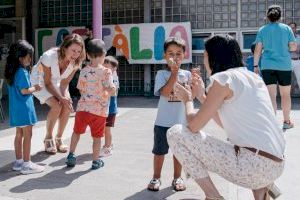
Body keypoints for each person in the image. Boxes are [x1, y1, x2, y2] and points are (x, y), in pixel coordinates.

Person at [167, 35, 285, 200]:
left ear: (213, 57)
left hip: (253, 167)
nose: (204, 61)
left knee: (175, 133)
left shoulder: (223, 78)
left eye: (205, 56)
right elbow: (227, 124)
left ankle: (213, 196)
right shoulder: (253, 78)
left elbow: (193, 126)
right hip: (275, 164)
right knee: (242, 143)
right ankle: (261, 192)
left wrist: (188, 100)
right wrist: (201, 96)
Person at [147, 37, 195, 192]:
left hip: (180, 122)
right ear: (164, 55)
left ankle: (177, 177)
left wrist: (196, 84)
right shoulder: (161, 74)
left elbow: (191, 97)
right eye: (171, 53)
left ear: (184, 55)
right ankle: (156, 177)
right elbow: (166, 93)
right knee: (159, 152)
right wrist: (174, 74)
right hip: (162, 122)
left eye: (178, 54)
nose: (175, 57)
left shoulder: (187, 74)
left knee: (178, 153)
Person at [30, 34, 86, 154]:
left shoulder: (77, 62)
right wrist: (61, 98)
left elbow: (65, 82)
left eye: (78, 51)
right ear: (65, 48)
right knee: (57, 105)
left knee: (66, 105)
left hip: (57, 82)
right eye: (73, 50)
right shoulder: (49, 56)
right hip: (39, 81)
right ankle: (48, 138)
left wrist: (65, 98)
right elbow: (47, 83)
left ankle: (59, 138)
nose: (76, 54)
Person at [65, 39, 116, 170]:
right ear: (104, 54)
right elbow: (110, 89)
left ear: (87, 55)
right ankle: (95, 161)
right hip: (99, 111)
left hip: (82, 109)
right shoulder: (106, 71)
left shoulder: (83, 70)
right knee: (97, 137)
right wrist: (112, 89)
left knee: (76, 132)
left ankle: (71, 155)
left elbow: (81, 89)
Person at [4, 40, 45, 174]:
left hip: (15, 109)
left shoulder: (11, 71)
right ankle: (27, 164)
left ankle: (19, 162)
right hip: (25, 108)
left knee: (19, 134)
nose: (30, 59)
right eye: (29, 56)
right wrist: (36, 88)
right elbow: (24, 90)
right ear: (21, 57)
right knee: (28, 135)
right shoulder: (22, 72)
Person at [254, 5, 297, 130]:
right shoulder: (287, 29)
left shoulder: (263, 30)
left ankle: (272, 124)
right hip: (284, 66)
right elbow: (293, 47)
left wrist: (256, 65)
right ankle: (286, 121)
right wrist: (286, 47)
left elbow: (258, 50)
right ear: (280, 16)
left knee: (271, 95)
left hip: (268, 66)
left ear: (267, 16)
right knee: (285, 95)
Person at [100, 56, 119, 157]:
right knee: (103, 129)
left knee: (107, 129)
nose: (105, 70)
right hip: (101, 108)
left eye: (108, 68)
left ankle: (107, 147)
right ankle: (109, 144)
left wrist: (105, 87)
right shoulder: (101, 77)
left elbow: (113, 93)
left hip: (110, 109)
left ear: (114, 69)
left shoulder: (114, 79)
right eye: (103, 67)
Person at [288, 22, 300, 91]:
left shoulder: (299, 38)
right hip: (288, 61)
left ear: (296, 28)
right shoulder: (285, 38)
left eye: (293, 28)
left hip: (298, 61)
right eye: (290, 28)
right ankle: (286, 98)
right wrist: (295, 48)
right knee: (286, 80)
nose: (292, 29)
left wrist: (292, 48)